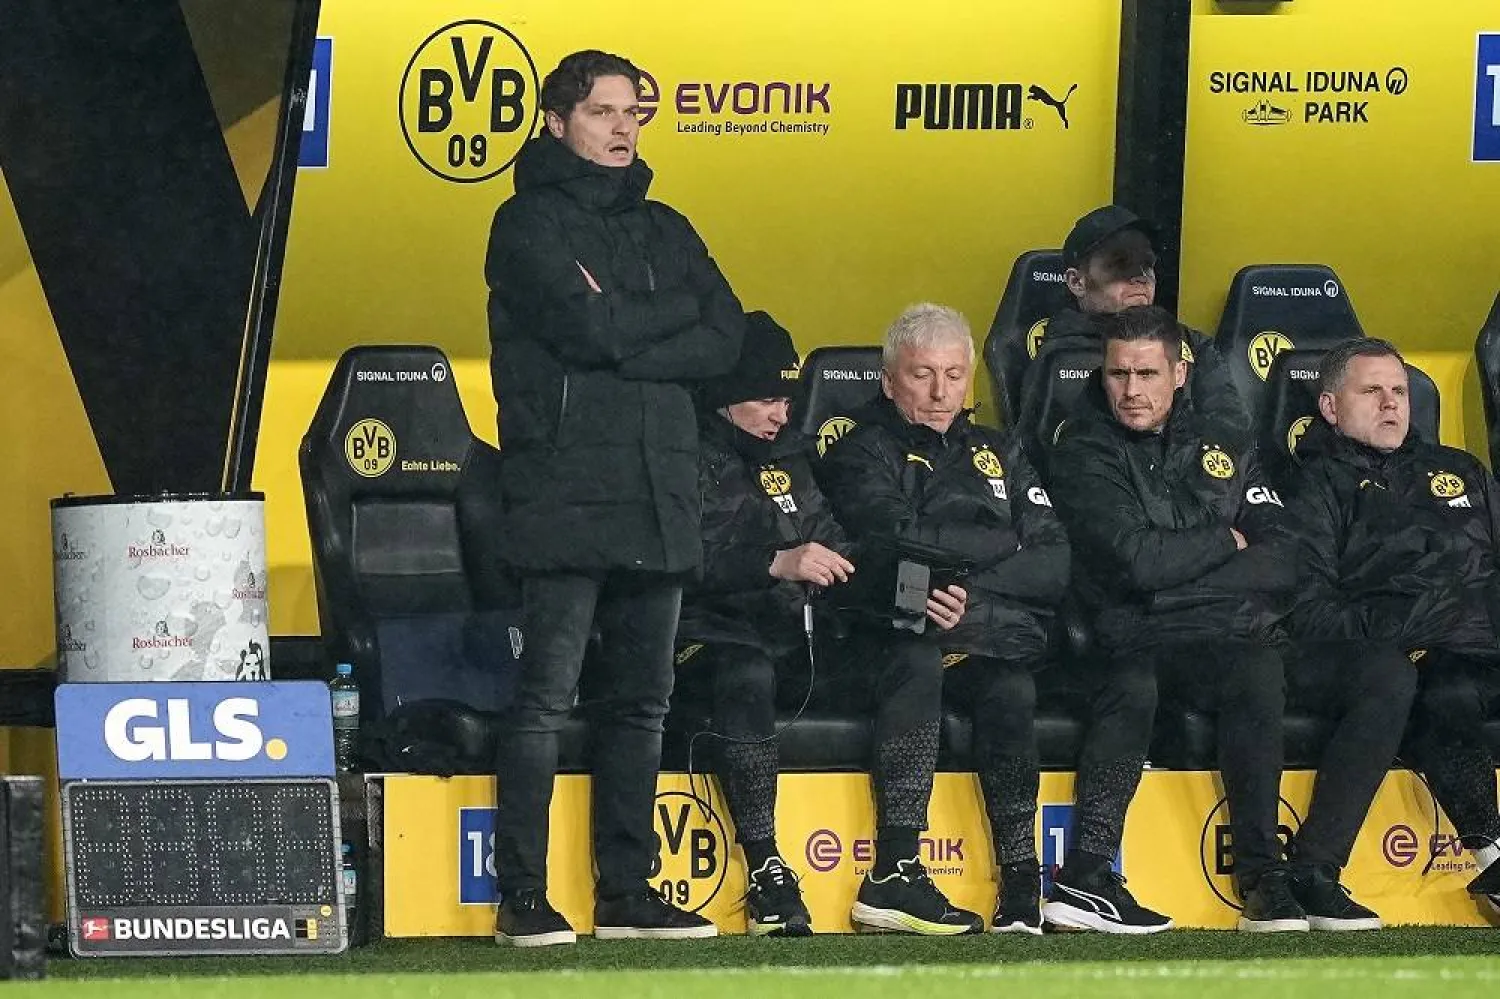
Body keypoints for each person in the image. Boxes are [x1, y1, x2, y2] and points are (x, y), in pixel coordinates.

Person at [483, 49, 744, 946]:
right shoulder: (523, 224)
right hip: (563, 490)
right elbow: (580, 327)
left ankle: (627, 891)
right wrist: (663, 316)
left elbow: (729, 338)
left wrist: (627, 334)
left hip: (659, 490)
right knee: (546, 702)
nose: (624, 127)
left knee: (643, 703)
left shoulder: (669, 224)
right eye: (602, 112)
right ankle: (522, 892)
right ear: (556, 122)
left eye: (634, 111)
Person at [1047, 306, 1414, 933]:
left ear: (1180, 373)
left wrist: (1185, 570)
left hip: (1244, 626)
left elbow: (1284, 556)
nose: (1131, 391)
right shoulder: (1083, 447)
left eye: (1147, 374)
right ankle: (1260, 876)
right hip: (1152, 637)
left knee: (1386, 673)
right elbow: (1137, 562)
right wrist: (1225, 541)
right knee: (1255, 668)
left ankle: (1317, 870)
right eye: (1117, 375)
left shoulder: (1225, 440)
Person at [818, 303, 1070, 935]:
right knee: (917, 657)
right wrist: (1002, 543)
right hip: (881, 637)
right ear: (888, 380)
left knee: (1011, 687)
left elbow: (1055, 559)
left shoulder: (999, 448)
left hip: (983, 633)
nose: (940, 393)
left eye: (955, 375)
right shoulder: (859, 452)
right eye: (922, 375)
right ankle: (896, 870)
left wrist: (964, 582)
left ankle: (1020, 882)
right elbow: (897, 538)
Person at [1284, 337, 1500, 914]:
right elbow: (1311, 609)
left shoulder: (1462, 470)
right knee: (1437, 692)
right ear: (1330, 407)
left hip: (1489, 645)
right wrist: (1413, 623)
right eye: (1371, 391)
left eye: (1400, 391)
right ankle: (1492, 852)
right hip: (1413, 654)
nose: (1391, 404)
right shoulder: (1313, 487)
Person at [671, 311, 853, 937]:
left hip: (790, 634)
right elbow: (677, 557)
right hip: (700, 638)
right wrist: (772, 562)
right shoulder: (682, 453)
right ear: (724, 399)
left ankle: (899, 868)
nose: (781, 413)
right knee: (744, 669)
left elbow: (830, 536)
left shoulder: (793, 455)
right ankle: (766, 864)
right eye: (766, 399)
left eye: (787, 398)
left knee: (903, 658)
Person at [1018, 205, 1247, 472]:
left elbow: (1233, 435)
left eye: (1147, 265)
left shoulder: (1194, 344)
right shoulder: (1058, 357)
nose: (1140, 277)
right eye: (1120, 265)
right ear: (1076, 282)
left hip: (1198, 491)